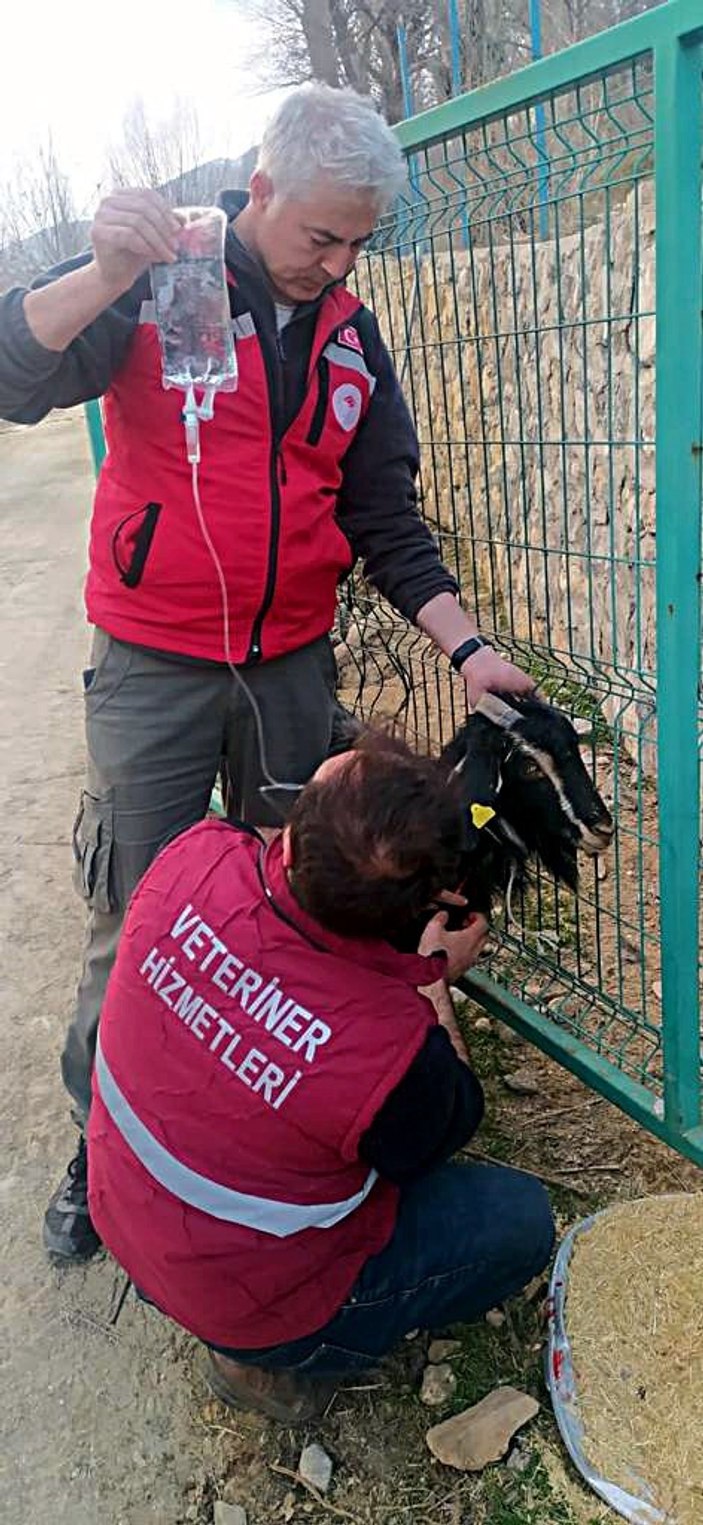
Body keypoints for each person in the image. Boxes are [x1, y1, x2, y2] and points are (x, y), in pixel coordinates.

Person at [0, 82, 534, 1265]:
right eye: (319, 235)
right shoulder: (158, 279)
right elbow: (11, 374)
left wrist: (468, 645)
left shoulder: (349, 335)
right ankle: (107, 1147)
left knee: (314, 901)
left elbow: (384, 514)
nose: (336, 261)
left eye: (356, 242)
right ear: (261, 190)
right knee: (136, 904)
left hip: (290, 669)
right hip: (153, 667)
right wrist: (97, 269)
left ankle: (295, 1124)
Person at [86, 731, 554, 1422]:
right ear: (432, 907)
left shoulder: (195, 853)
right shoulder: (391, 1055)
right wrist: (429, 978)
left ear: (292, 841)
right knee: (518, 1221)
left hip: (123, 1222)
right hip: (248, 1306)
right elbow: (442, 1130)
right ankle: (266, 1361)